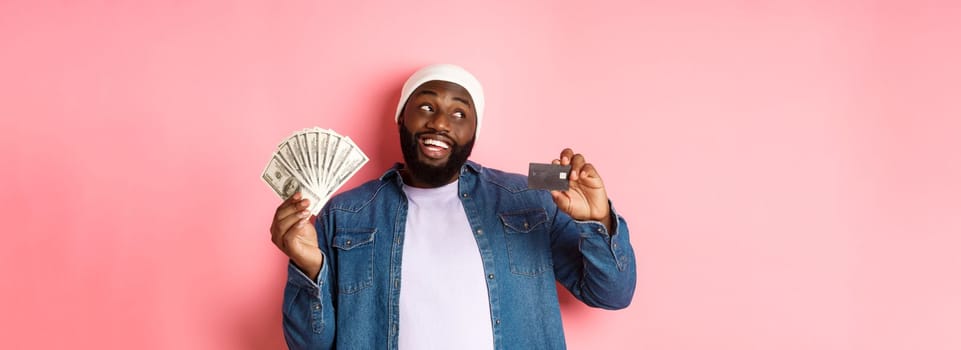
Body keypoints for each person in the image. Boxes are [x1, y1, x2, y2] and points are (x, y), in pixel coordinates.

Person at [270, 64, 636, 349]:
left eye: (460, 113)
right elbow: (309, 345)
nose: (440, 122)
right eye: (426, 106)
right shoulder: (345, 213)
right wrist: (307, 266)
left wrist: (597, 222)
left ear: (475, 132)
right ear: (401, 117)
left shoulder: (529, 196)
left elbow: (613, 294)